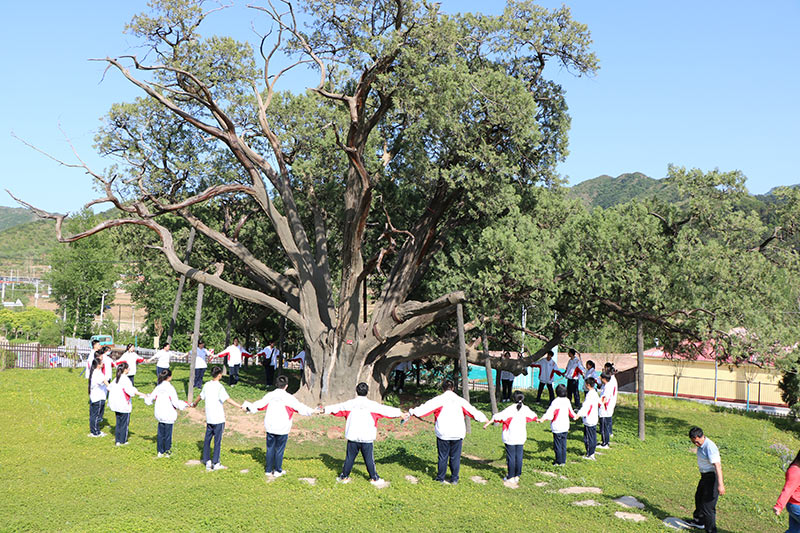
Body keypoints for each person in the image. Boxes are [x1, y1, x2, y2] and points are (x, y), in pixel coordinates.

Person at [325, 382, 405, 486]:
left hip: (353, 437)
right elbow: (387, 410)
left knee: (349, 458)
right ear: (367, 392)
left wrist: (323, 409)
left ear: (356, 391)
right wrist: (400, 413)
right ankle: (374, 478)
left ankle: (344, 477)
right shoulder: (373, 405)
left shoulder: (349, 404)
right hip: (367, 438)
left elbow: (337, 408)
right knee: (369, 459)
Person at [409, 380, 488, 484]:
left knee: (443, 456)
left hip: (443, 433)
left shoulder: (438, 400)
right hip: (457, 433)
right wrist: (485, 419)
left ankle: (440, 478)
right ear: (453, 388)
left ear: (442, 388)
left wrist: (412, 411)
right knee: (455, 457)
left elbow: (423, 410)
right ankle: (454, 479)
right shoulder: (460, 400)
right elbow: (473, 411)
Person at [243, 375, 319, 477]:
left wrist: (247, 407)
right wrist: (313, 411)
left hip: (270, 426)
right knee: (279, 449)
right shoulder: (289, 398)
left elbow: (259, 404)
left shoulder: (270, 395)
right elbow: (300, 408)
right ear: (286, 386)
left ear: (276, 384)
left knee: (270, 448)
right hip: (282, 428)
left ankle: (268, 470)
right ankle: (278, 471)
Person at [191, 366, 242, 471]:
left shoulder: (207, 385)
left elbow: (200, 396)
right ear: (219, 375)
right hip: (218, 418)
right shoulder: (219, 387)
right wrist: (240, 406)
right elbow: (227, 399)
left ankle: (207, 461)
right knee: (217, 441)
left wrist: (195, 403)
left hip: (209, 417)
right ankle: (216, 463)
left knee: (207, 440)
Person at [483, 390, 538, 484]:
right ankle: (517, 475)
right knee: (519, 456)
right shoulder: (525, 409)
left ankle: (510, 476)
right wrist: (538, 420)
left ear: (513, 398)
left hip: (510, 436)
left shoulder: (510, 409)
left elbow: (498, 417)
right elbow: (534, 416)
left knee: (511, 457)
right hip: (521, 436)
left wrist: (488, 423)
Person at [686, 426, 725, 532]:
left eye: (697, 442)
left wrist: (720, 485)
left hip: (712, 478)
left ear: (702, 436)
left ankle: (711, 531)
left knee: (708, 507)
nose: (696, 444)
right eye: (694, 443)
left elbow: (718, 466)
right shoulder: (701, 445)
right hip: (705, 477)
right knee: (699, 497)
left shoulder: (710, 447)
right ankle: (699, 521)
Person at [146, 368, 189, 458]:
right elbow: (175, 402)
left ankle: (160, 451)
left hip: (159, 412)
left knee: (160, 433)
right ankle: (167, 451)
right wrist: (184, 405)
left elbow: (151, 398)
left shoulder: (158, 387)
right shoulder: (170, 388)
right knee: (168, 434)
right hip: (168, 413)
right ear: (169, 377)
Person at [107, 362, 145, 446]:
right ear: (125, 370)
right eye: (128, 368)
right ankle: (123, 441)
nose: (129, 369)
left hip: (116, 404)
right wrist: (143, 395)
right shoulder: (126, 380)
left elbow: (109, 388)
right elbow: (131, 391)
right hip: (124, 404)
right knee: (124, 423)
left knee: (118, 423)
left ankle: (117, 440)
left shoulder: (116, 378)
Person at [539, 384, 576, 466]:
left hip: (557, 426)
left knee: (558, 445)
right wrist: (575, 416)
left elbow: (550, 413)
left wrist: (542, 419)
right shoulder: (567, 400)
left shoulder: (555, 402)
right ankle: (563, 460)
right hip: (565, 426)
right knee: (563, 444)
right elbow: (571, 411)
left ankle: (558, 461)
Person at [774, 449, 800, 532]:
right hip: (796, 506)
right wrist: (779, 506)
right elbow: (788, 489)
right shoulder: (795, 471)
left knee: (794, 531)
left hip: (795, 505)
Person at [575, 377, 600, 460]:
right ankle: (592, 451)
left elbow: (585, 407)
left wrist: (578, 414)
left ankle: (590, 454)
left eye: (585, 383)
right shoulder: (595, 393)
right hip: (594, 418)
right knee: (593, 436)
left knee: (588, 438)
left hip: (589, 419)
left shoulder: (589, 395)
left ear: (588, 385)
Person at [87, 356, 110, 437]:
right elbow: (105, 382)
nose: (103, 363)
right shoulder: (98, 373)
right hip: (99, 397)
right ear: (98, 365)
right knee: (96, 416)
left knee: (93, 415)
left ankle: (93, 430)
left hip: (94, 397)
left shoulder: (93, 372)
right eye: (101, 362)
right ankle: (96, 432)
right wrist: (112, 389)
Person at [598, 372, 614, 449]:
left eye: (601, 378)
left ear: (604, 379)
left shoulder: (607, 387)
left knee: (604, 427)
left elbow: (605, 399)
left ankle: (605, 443)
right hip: (606, 409)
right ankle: (605, 441)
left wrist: (599, 404)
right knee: (605, 427)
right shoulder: (607, 385)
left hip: (604, 409)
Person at [603, 362, 619, 437]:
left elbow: (609, 393)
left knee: (608, 416)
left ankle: (609, 432)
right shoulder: (612, 379)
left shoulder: (611, 381)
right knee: (608, 415)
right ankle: (608, 431)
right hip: (610, 400)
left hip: (609, 400)